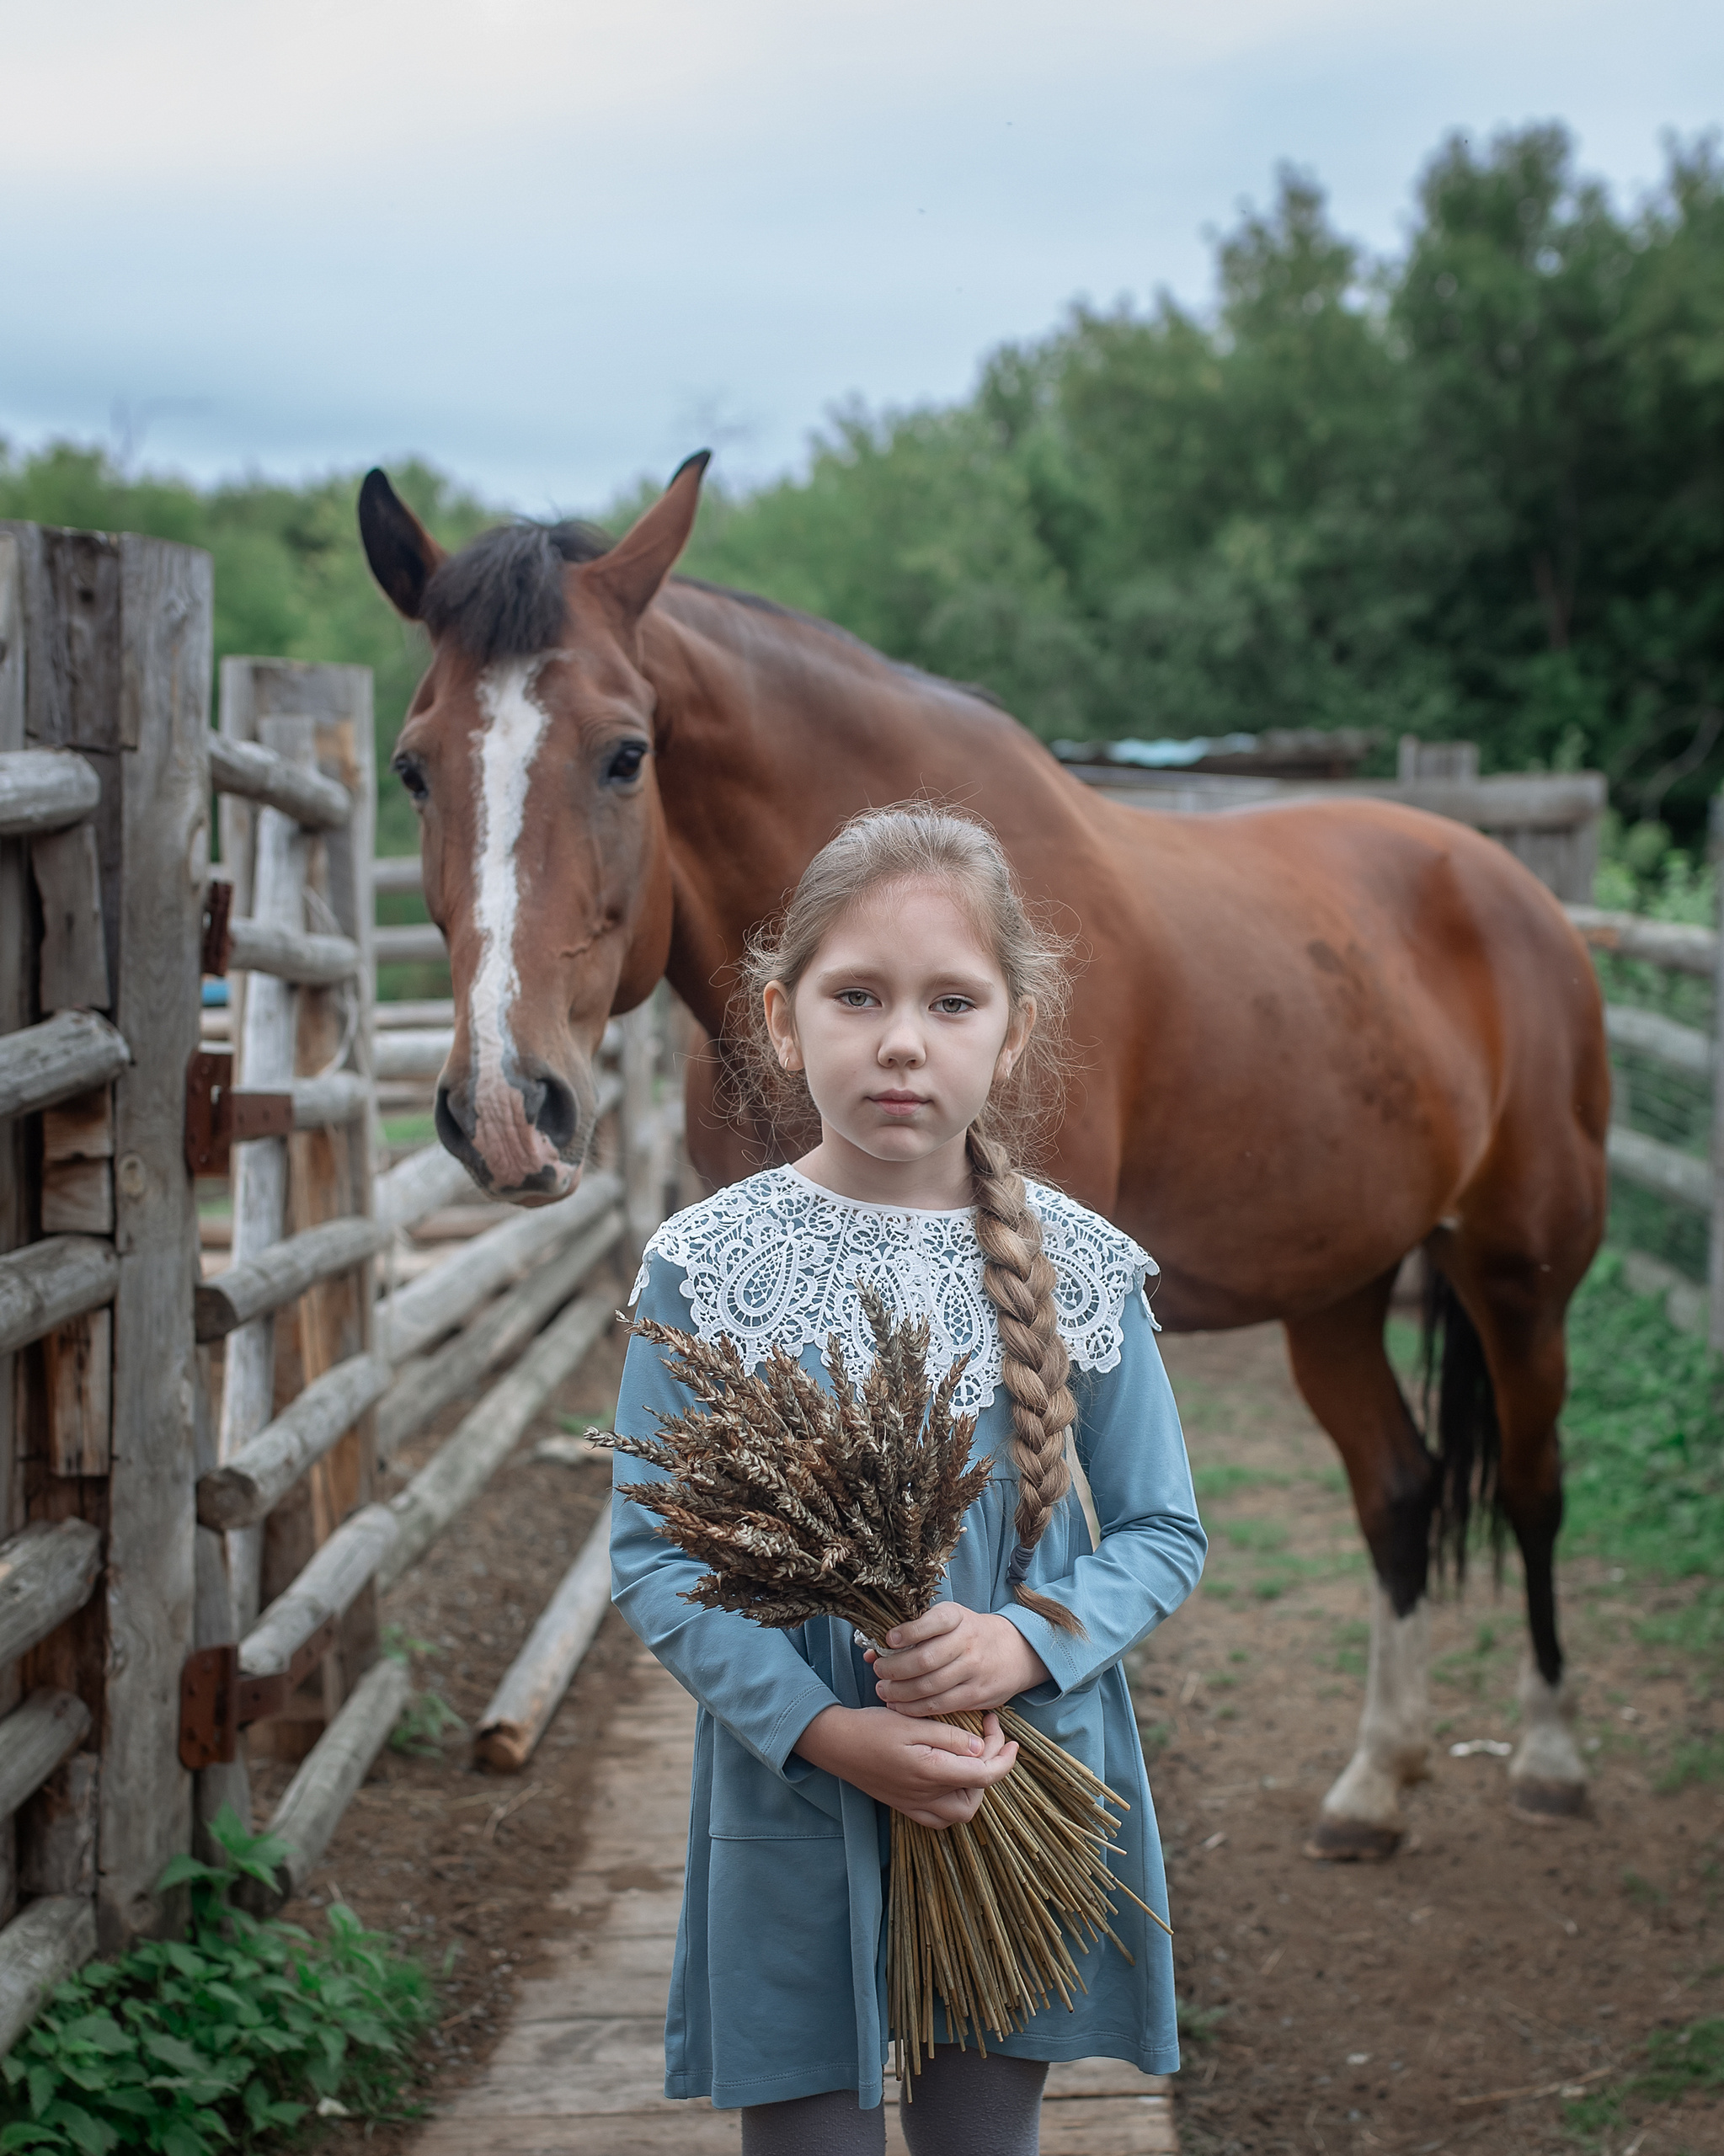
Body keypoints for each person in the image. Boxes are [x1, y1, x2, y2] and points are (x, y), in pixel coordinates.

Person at [610, 805, 1206, 2155]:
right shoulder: (710, 1266)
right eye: (858, 995)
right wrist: (826, 1731)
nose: (900, 1041)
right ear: (781, 1020)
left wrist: (1022, 1640)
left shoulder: (1077, 1268)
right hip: (798, 1782)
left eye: (951, 1002)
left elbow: (1163, 1531)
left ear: (1013, 1032)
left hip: (1014, 1769)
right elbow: (650, 1558)